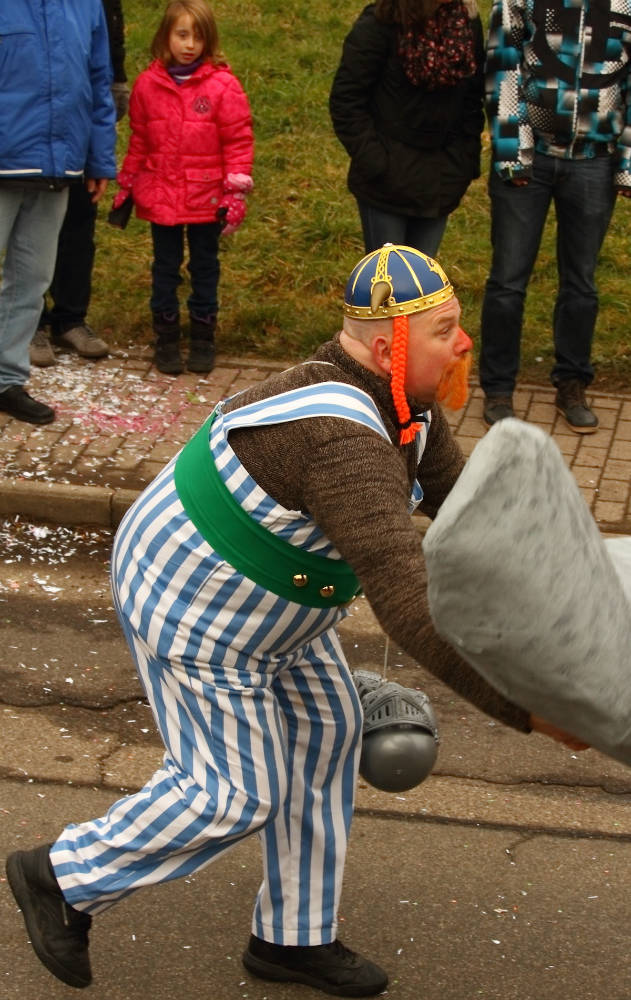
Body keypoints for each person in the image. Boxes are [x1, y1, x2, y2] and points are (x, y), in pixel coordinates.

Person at [6, 244, 583, 997]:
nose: (464, 344)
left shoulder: (405, 410)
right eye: (445, 331)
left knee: (326, 735)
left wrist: (573, 599)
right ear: (389, 348)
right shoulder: (343, 441)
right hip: (193, 606)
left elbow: (476, 519)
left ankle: (292, 937)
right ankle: (61, 876)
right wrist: (529, 709)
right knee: (231, 794)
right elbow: (410, 606)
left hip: (275, 611)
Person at [479, 0, 631, 433]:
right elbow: (503, 67)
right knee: (508, 281)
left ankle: (572, 384)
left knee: (581, 283)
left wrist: (627, 163)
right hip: (530, 157)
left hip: (595, 160)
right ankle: (498, 389)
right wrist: (513, 152)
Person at [109, 0, 254, 376]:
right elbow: (140, 139)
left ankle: (203, 338)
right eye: (182, 34)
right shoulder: (147, 85)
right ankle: (167, 338)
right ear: (166, 36)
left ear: (209, 41)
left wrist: (235, 190)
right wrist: (128, 182)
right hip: (161, 194)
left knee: (205, 266)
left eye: (198, 37)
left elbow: (238, 141)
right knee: (165, 267)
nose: (190, 44)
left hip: (206, 196)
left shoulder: (223, 86)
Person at [0, 1, 116, 426]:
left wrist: (99, 159)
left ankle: (6, 381)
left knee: (30, 281)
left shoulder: (87, 5)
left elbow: (98, 82)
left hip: (58, 166)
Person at [329, 0, 484, 256]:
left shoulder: (466, 22)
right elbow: (347, 100)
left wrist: (464, 161)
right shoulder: (381, 21)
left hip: (441, 180)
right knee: (388, 278)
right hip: (386, 185)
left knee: (422, 279)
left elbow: (472, 100)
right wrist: (376, 162)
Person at [30, 0, 130, 369]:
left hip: (78, 114)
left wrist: (118, 76)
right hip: (32, 117)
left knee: (79, 220)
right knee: (31, 230)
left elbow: (109, 24)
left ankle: (69, 319)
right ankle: (31, 323)